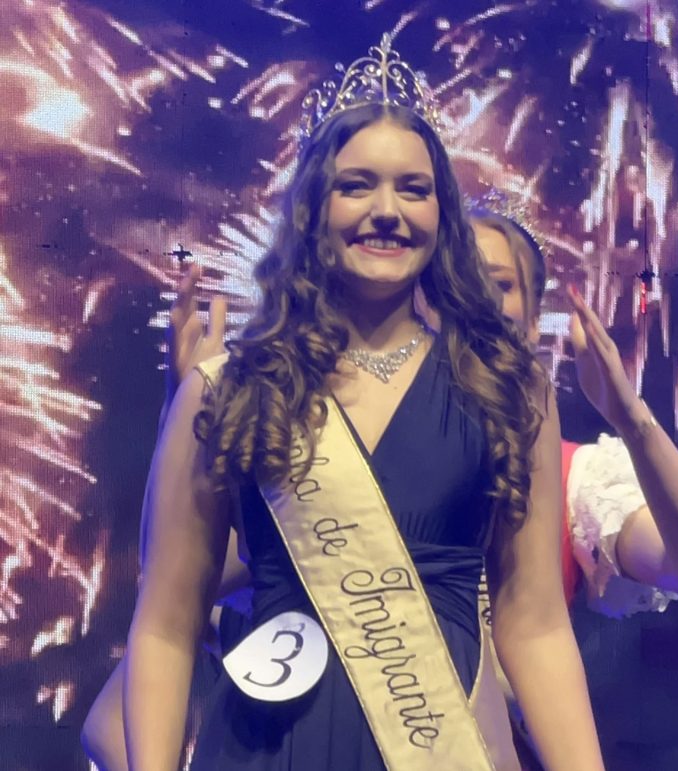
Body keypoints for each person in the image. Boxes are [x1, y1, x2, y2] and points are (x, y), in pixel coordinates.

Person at [117, 38, 604, 771]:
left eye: (413, 189)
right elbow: (165, 624)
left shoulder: (505, 387)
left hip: (439, 743)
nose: (386, 211)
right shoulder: (228, 388)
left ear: (442, 212)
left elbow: (535, 624)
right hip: (269, 749)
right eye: (357, 186)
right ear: (313, 207)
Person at [468, 202, 678, 616]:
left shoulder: (572, 479)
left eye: (499, 284)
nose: (475, 300)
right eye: (455, 283)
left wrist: (629, 416)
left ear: (535, 321)